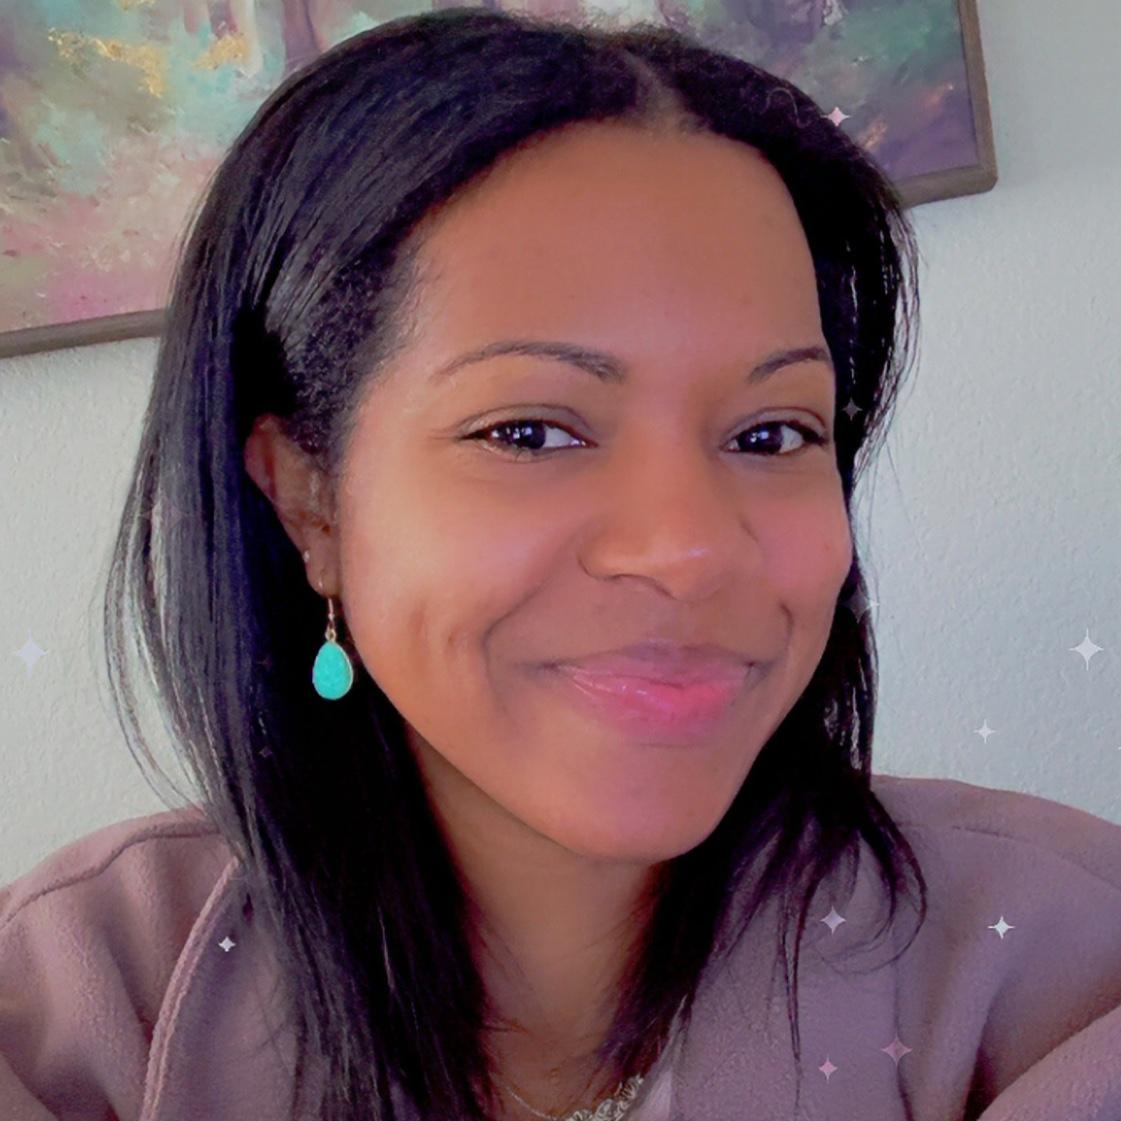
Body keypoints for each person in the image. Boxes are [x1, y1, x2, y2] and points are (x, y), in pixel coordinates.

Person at [4, 7, 1121, 1121]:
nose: (685, 549)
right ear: (311, 499)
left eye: (771, 433)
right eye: (531, 431)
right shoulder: (81, 1009)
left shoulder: (1059, 972)